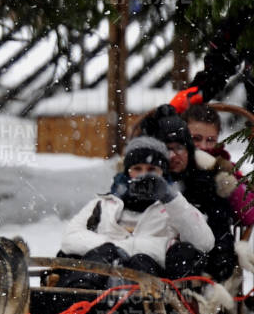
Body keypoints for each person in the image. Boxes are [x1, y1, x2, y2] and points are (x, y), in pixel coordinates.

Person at [57, 136, 215, 287]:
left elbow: (204, 242)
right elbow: (70, 239)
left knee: (141, 261)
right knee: (100, 256)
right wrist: (112, 249)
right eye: (137, 168)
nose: (143, 174)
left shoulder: (173, 206)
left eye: (152, 169)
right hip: (101, 279)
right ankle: (78, 297)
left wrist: (169, 198)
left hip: (152, 280)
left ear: (163, 172)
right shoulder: (104, 204)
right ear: (127, 171)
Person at [138, 105, 241, 281]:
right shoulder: (140, 180)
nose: (173, 155)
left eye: (179, 148)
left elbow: (219, 233)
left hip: (189, 267)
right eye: (167, 148)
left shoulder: (205, 183)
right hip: (144, 261)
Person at [182, 102, 254, 229]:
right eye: (196, 138)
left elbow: (249, 215)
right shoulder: (172, 163)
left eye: (210, 140)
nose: (203, 146)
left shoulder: (225, 166)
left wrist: (228, 183)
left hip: (216, 236)